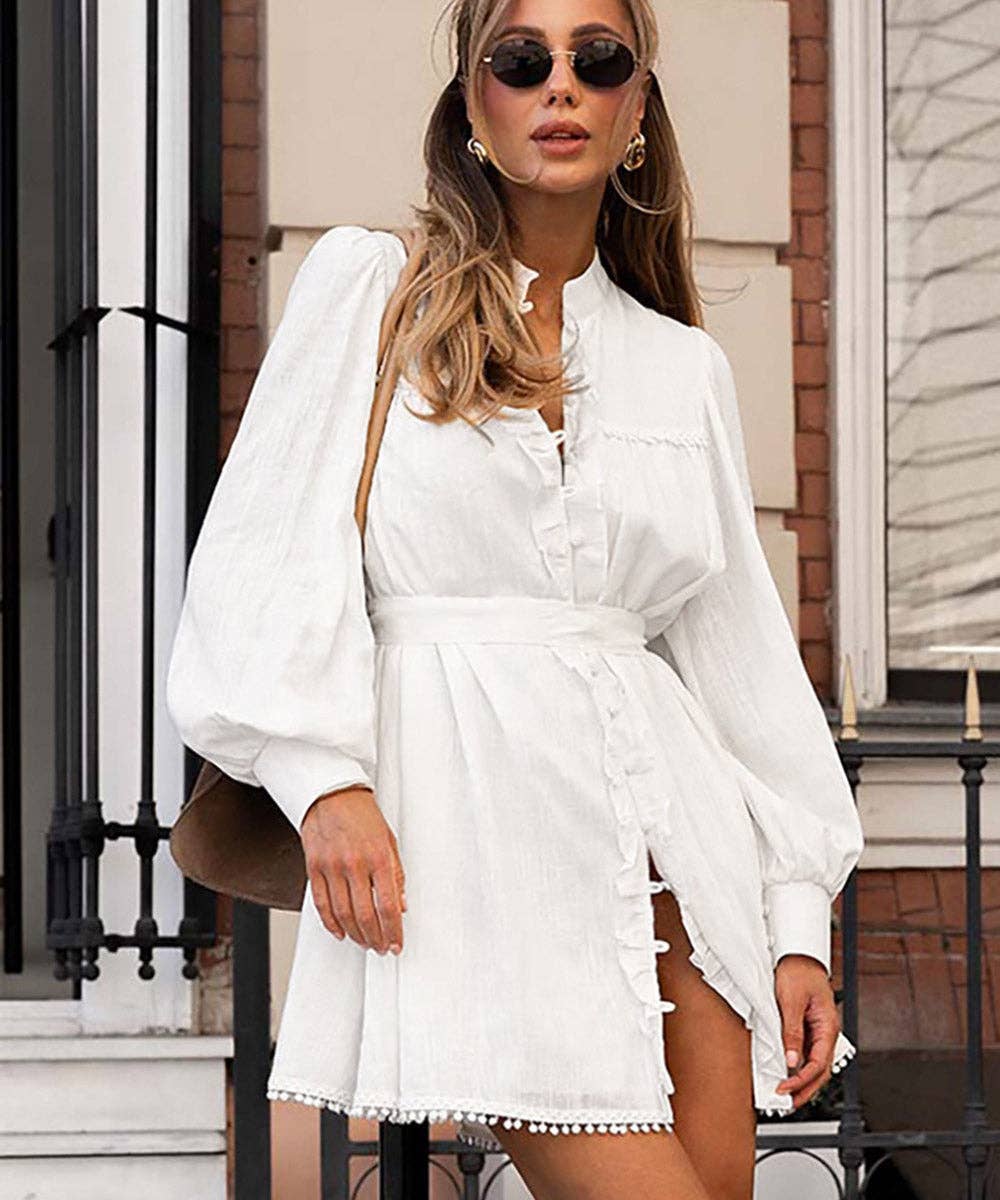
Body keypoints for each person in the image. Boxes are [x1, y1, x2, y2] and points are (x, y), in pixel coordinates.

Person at [165, 1, 865, 1197]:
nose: (561, 86)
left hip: (673, 848)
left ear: (635, 112)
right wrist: (321, 780)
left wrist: (796, 919)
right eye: (521, 59)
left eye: (599, 60)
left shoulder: (680, 366)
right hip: (466, 832)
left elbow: (736, 654)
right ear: (471, 105)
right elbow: (263, 553)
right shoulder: (376, 292)